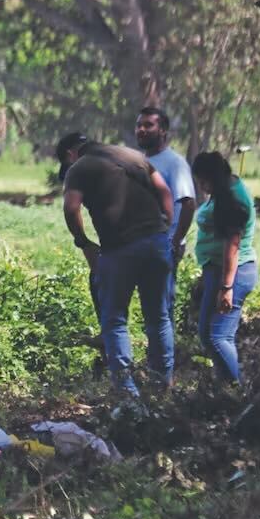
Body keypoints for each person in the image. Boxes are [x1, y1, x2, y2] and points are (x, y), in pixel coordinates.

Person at [56, 132, 176, 396]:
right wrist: (166, 227)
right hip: (156, 243)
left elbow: (71, 207)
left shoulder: (79, 167)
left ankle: (126, 391)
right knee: (158, 316)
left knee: (114, 320)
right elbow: (164, 191)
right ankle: (163, 383)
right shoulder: (132, 155)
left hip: (119, 248)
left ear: (69, 155)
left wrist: (83, 241)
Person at [192, 152, 258, 384]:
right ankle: (225, 386)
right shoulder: (222, 192)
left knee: (218, 336)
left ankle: (235, 389)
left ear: (212, 177)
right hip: (217, 271)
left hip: (233, 274)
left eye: (202, 180)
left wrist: (226, 287)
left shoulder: (232, 199)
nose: (200, 185)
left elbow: (232, 245)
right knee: (208, 334)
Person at [135, 107, 197, 315]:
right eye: (138, 125)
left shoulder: (175, 163)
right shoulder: (139, 161)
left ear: (163, 130)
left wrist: (175, 240)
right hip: (141, 243)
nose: (141, 130)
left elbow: (188, 203)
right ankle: (157, 348)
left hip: (163, 246)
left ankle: (164, 349)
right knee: (149, 308)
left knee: (162, 309)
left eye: (148, 125)